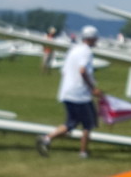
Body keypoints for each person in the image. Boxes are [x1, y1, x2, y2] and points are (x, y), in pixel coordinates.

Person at [39, 26, 107, 158]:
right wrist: (92, 88)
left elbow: (65, 71)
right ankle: (83, 152)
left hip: (67, 91)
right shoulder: (86, 52)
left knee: (72, 123)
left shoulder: (74, 49)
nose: (96, 41)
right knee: (88, 124)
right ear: (91, 39)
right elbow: (82, 71)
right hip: (79, 94)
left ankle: (47, 139)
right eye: (95, 38)